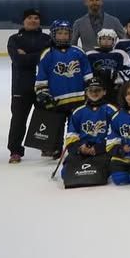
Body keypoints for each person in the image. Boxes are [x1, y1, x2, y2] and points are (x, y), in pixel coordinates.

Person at [35, 19, 94, 157]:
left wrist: (90, 91)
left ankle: (76, 148)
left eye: (66, 33)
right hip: (57, 99)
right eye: (60, 33)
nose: (63, 36)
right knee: (57, 125)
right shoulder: (47, 54)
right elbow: (42, 76)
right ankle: (55, 147)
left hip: (78, 98)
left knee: (76, 126)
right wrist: (42, 92)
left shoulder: (78, 52)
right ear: (53, 34)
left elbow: (88, 75)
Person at [6, 9, 51, 163]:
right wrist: (39, 55)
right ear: (23, 21)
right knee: (18, 120)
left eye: (36, 18)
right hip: (21, 87)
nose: (33, 20)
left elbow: (48, 59)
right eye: (30, 18)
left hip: (43, 86)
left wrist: (27, 55)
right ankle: (15, 151)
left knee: (45, 117)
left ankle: (47, 146)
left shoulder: (47, 39)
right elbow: (18, 60)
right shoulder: (14, 39)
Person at [60, 78, 117, 177]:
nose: (94, 93)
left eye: (98, 90)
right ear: (86, 92)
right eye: (91, 90)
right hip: (82, 150)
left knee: (103, 173)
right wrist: (79, 148)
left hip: (103, 150)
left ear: (104, 91)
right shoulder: (78, 111)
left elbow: (115, 135)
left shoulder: (111, 110)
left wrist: (99, 148)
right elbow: (71, 135)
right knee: (66, 174)